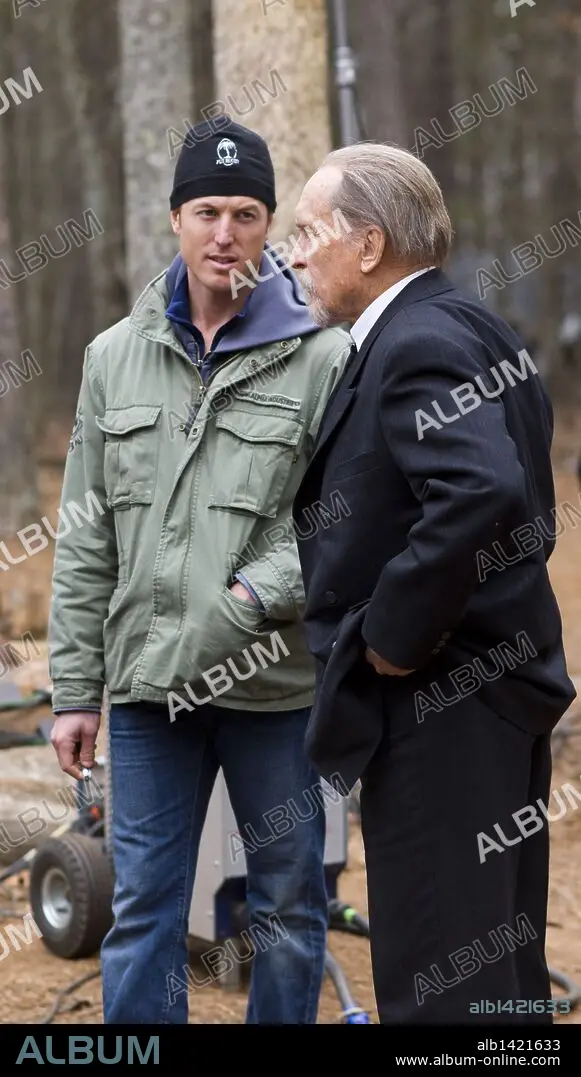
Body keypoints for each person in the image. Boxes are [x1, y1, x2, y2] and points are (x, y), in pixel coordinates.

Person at [47, 117, 352, 1025]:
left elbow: (343, 517)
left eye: (247, 214)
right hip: (150, 696)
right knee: (143, 906)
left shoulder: (324, 356)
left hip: (276, 688)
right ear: (175, 217)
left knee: (287, 906)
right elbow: (87, 538)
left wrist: (254, 595)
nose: (226, 233)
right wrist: (75, 690)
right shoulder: (113, 358)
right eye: (207, 211)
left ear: (270, 226)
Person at [289, 142, 577, 1025]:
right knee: (497, 984)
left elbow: (481, 489)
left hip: (439, 709)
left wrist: (392, 632)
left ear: (367, 243)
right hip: (488, 700)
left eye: (306, 233)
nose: (291, 256)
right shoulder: (473, 326)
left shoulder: (417, 340)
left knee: (442, 994)